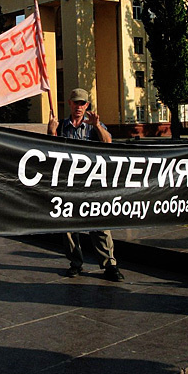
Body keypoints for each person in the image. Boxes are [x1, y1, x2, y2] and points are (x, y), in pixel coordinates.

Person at [48, 88, 125, 282]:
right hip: (69, 185)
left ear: (87, 106)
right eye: (76, 103)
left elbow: (108, 143)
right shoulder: (62, 125)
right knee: (68, 227)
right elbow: (50, 151)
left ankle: (110, 265)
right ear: (70, 104)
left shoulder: (92, 125)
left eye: (83, 103)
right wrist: (51, 132)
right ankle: (75, 263)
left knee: (99, 225)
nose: (79, 107)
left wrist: (97, 126)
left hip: (92, 185)